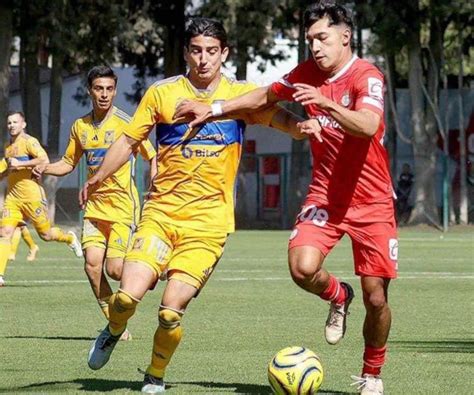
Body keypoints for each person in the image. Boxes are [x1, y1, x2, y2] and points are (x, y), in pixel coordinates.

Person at [84, 18, 319, 394]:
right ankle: (113, 328)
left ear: (224, 53)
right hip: (160, 214)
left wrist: (300, 128)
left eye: (212, 51)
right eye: (196, 50)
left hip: (208, 225)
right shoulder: (162, 93)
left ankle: (154, 376)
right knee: (126, 297)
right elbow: (129, 142)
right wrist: (96, 177)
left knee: (169, 310)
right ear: (186, 52)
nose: (204, 59)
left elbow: (275, 115)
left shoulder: (240, 95)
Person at [175, 3, 397, 394]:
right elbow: (263, 97)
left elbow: (369, 124)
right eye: (310, 39)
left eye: (322, 38)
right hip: (325, 195)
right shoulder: (304, 74)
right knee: (301, 267)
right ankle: (337, 295)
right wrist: (213, 110)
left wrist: (328, 104)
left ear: (345, 36)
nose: (315, 46)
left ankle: (372, 374)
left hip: (372, 202)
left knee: (376, 297)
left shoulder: (367, 76)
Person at [33, 66, 157, 340]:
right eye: (98, 88)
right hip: (94, 208)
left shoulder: (127, 123)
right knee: (91, 265)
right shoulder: (81, 127)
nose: (104, 94)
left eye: (109, 89)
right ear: (90, 90)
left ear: (114, 90)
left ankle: (148, 270)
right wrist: (44, 168)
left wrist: (156, 183)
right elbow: (68, 162)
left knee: (114, 270)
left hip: (123, 207)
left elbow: (152, 155)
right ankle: (116, 324)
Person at [0, 111, 82, 287]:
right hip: (13, 199)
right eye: (9, 123)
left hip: (33, 198)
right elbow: (7, 170)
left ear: (23, 124)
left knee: (45, 234)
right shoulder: (8, 147)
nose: (11, 125)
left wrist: (20, 164)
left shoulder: (30, 142)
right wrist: (6, 170)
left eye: (15, 122)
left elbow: (43, 159)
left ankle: (69, 238)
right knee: (4, 232)